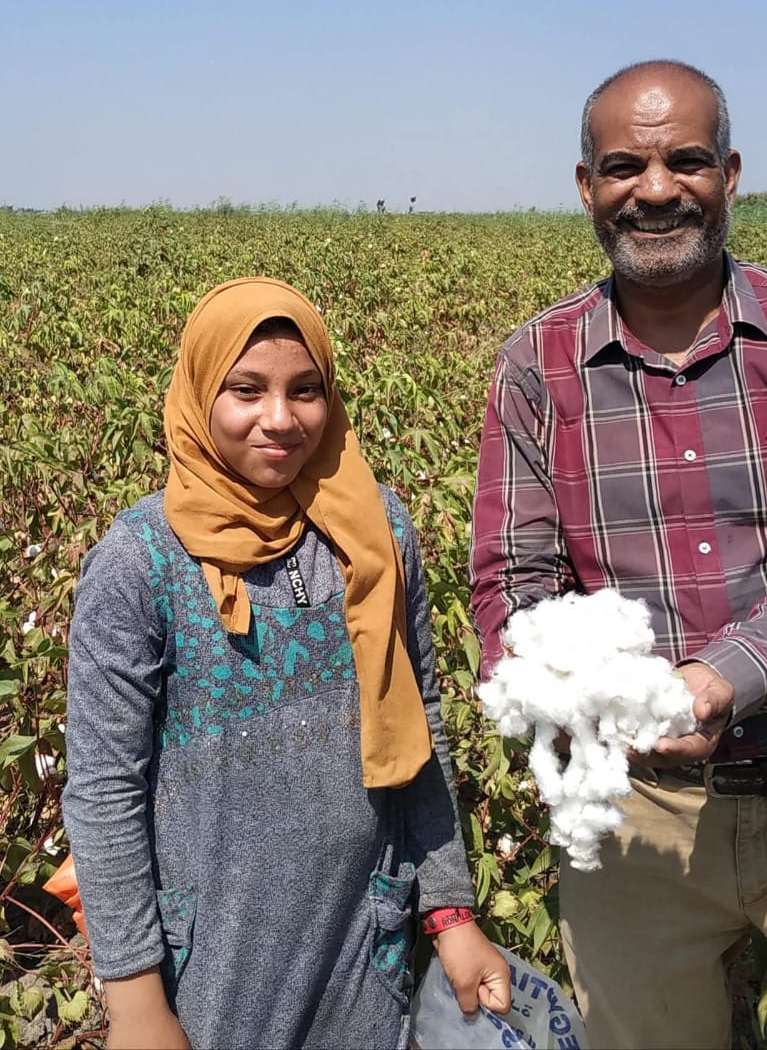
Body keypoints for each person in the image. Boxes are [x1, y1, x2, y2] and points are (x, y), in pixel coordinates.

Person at [470, 60, 767, 1048]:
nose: (657, 188)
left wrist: (711, 683)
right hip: (635, 821)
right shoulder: (535, 365)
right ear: (587, 185)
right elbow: (513, 595)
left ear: (729, 171)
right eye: (625, 165)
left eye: (686, 160)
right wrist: (604, 697)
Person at [63, 277, 510, 1050]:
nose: (279, 419)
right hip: (211, 964)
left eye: (305, 391)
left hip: (365, 940)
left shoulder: (376, 528)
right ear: (200, 394)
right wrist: (135, 998)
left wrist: (449, 913)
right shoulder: (140, 564)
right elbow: (104, 788)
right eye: (245, 390)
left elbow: (420, 722)